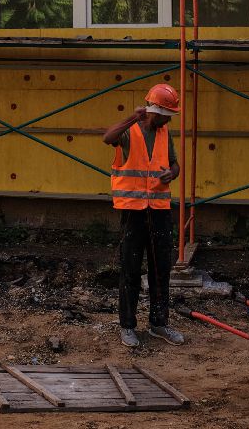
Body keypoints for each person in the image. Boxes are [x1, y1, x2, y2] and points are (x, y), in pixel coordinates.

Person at [102, 83, 184, 349]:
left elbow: (174, 163)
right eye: (166, 114)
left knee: (161, 269)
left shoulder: (164, 132)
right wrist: (132, 118)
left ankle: (159, 323)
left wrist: (173, 173)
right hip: (133, 213)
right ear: (154, 110)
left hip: (159, 211)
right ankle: (127, 326)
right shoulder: (130, 132)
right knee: (130, 270)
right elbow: (107, 137)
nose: (168, 119)